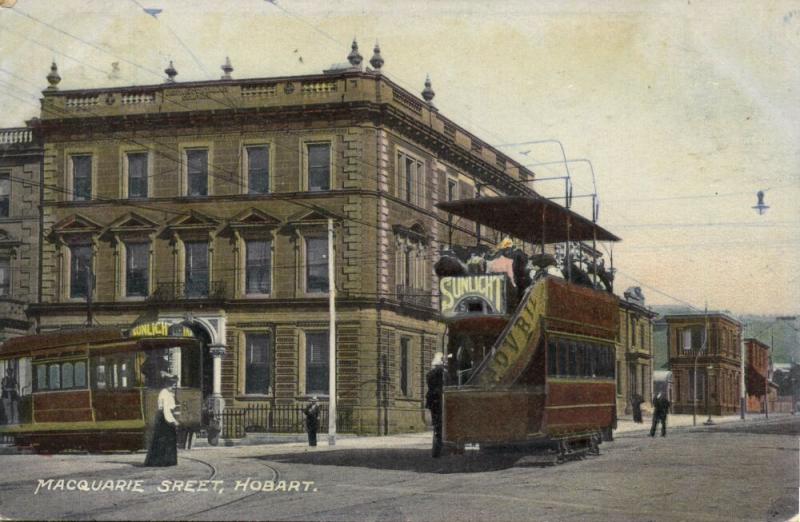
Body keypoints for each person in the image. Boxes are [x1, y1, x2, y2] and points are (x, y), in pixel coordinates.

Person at [145, 374, 180, 466]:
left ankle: (165, 461)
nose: (174, 386)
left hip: (163, 418)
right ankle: (163, 461)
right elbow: (166, 410)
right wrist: (173, 421)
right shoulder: (164, 393)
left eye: (174, 384)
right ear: (166, 384)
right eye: (172, 384)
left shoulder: (167, 393)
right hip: (164, 419)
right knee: (164, 440)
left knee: (165, 440)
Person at [425, 352, 445, 458]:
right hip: (440, 399)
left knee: (437, 423)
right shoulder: (443, 374)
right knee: (440, 421)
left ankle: (437, 441)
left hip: (433, 400)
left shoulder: (429, 374)